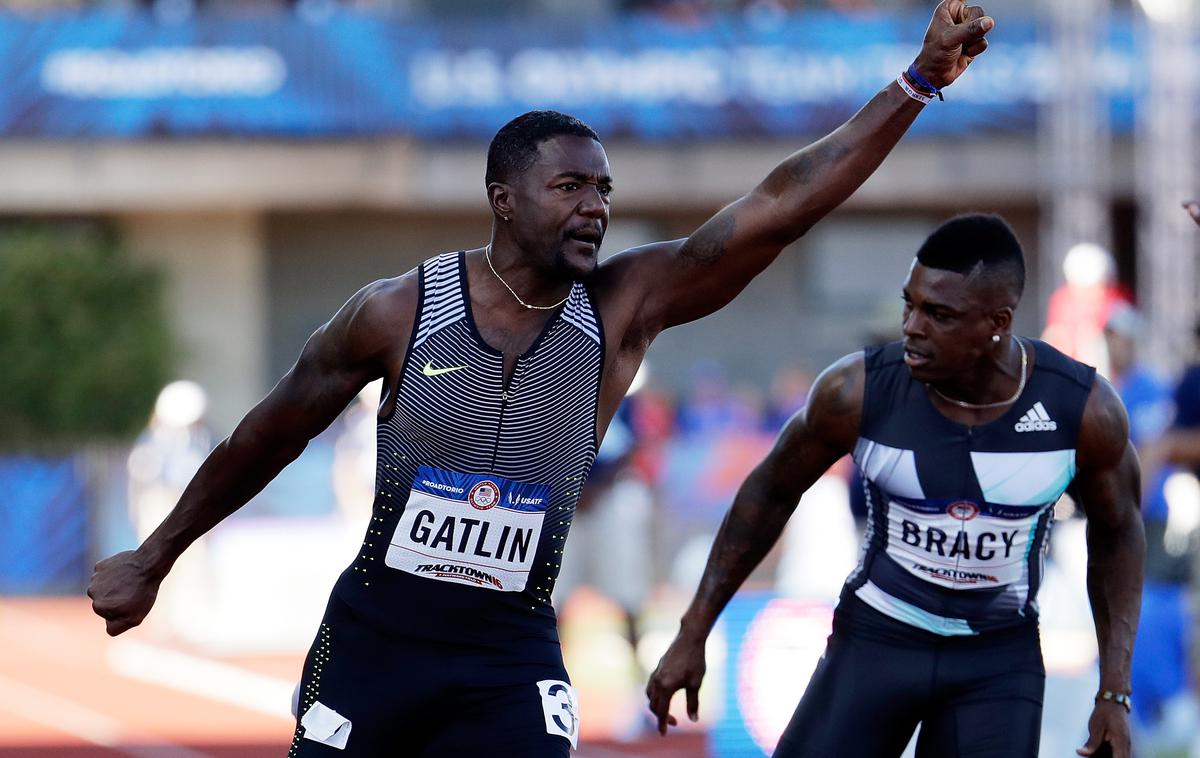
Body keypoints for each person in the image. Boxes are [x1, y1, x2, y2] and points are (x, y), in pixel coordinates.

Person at [87, 4, 994, 754]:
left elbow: (776, 208)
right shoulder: (396, 311)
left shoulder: (622, 308)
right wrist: (155, 556)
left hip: (508, 651)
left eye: (603, 189)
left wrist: (913, 85)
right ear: (504, 199)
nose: (596, 205)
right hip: (377, 642)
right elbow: (268, 434)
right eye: (570, 187)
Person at [647, 214, 1145, 758]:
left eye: (938, 314)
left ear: (996, 322)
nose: (911, 326)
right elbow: (768, 493)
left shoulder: (1083, 409)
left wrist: (1114, 691)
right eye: (910, 304)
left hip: (996, 662)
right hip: (877, 641)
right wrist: (694, 630)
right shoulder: (856, 392)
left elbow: (1120, 534)